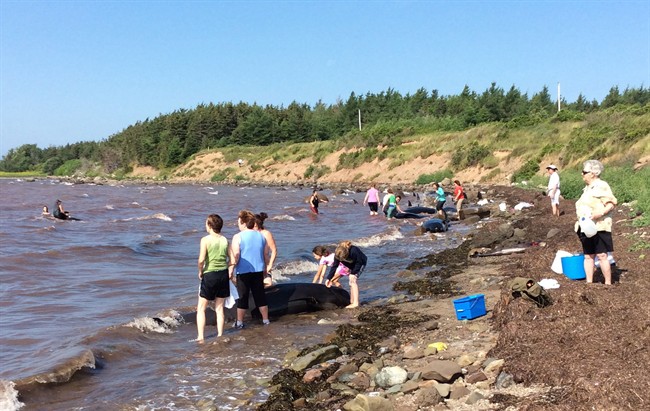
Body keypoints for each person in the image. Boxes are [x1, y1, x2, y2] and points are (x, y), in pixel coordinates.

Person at [575, 160, 617, 285]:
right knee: (588, 255)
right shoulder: (587, 188)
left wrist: (601, 213)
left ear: (593, 173)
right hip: (585, 226)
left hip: (599, 226)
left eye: (584, 172)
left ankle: (608, 283)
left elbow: (611, 203)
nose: (582, 174)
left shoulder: (601, 185)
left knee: (602, 255)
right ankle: (589, 282)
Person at [230, 210, 271, 327]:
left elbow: (236, 255)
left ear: (243, 222)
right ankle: (265, 320)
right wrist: (265, 269)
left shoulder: (237, 236)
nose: (237, 224)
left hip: (243, 271)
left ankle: (239, 322)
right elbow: (265, 255)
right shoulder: (261, 236)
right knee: (260, 296)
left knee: (242, 297)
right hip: (258, 270)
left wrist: (231, 268)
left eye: (238, 221)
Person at [195, 214, 231, 341]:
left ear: (210, 226)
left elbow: (201, 260)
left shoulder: (205, 240)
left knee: (201, 308)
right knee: (219, 308)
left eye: (206, 223)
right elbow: (233, 259)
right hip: (223, 274)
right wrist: (226, 266)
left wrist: (200, 270)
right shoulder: (225, 240)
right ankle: (220, 334)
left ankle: (201, 337)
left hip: (209, 274)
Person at [325, 240, 367, 308]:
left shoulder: (354, 250)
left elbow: (359, 262)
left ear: (346, 254)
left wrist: (353, 273)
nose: (341, 261)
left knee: (353, 280)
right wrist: (328, 278)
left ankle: (356, 303)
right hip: (351, 265)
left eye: (342, 259)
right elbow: (334, 266)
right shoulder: (337, 253)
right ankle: (352, 301)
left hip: (361, 263)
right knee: (350, 282)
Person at [255, 212, 277, 287]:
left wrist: (270, 264)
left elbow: (274, 250)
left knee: (268, 284)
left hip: (265, 265)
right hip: (254, 265)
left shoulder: (266, 233)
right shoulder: (249, 234)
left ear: (256, 224)